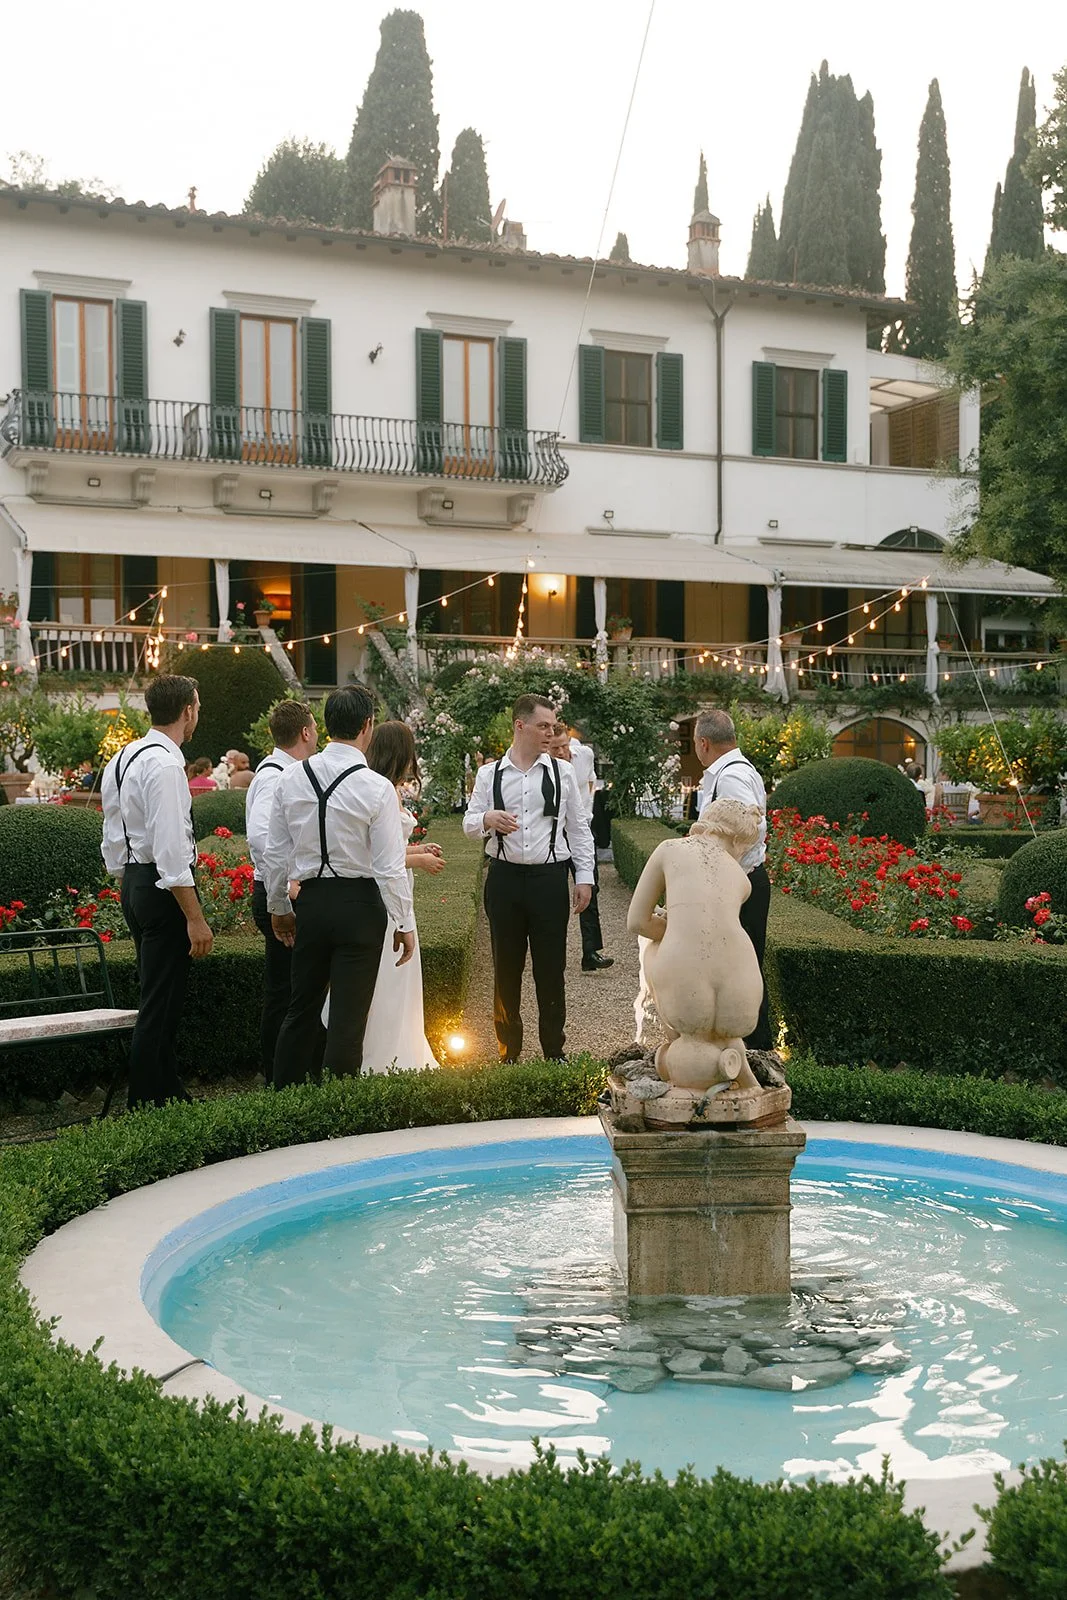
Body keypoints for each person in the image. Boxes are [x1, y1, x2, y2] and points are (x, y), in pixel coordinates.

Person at [263, 685, 415, 1089]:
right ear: (368, 725)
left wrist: (279, 906)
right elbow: (388, 866)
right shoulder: (376, 787)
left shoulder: (291, 778)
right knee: (348, 1020)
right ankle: (337, 1117)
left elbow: (274, 853)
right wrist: (404, 920)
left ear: (326, 725)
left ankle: (283, 1103)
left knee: (301, 1009)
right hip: (360, 905)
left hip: (311, 902)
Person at [100, 673, 213, 1108]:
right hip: (158, 886)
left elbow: (112, 831)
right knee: (159, 1004)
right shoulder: (166, 765)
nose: (197, 714)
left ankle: (168, 1093)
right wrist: (195, 916)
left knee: (159, 995)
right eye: (197, 707)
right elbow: (170, 850)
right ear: (187, 711)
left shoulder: (124, 757)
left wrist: (126, 880)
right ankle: (145, 1104)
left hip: (134, 881)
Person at [464, 694, 595, 1062]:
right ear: (520, 726)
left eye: (553, 726)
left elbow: (579, 829)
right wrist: (487, 819)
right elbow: (468, 823)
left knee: (551, 970)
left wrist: (584, 877)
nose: (551, 733)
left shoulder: (563, 772)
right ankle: (509, 1051)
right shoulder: (489, 774)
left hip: (549, 880)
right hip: (504, 880)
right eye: (543, 726)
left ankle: (554, 1051)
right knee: (506, 969)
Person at [339, 720, 445, 1072]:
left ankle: (395, 1049)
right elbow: (376, 860)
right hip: (387, 896)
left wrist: (416, 849)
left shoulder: (381, 787)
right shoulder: (384, 790)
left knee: (397, 980)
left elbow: (389, 849)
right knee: (389, 976)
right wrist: (420, 859)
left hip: (395, 888)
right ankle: (383, 1058)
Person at [245, 700, 321, 1079]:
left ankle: (285, 1069)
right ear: (305, 732)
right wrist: (289, 885)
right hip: (278, 892)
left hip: (277, 888)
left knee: (288, 988)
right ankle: (279, 1070)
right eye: (315, 728)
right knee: (286, 991)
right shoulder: (277, 776)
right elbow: (262, 837)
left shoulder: (283, 772)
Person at [693, 707, 774, 1055]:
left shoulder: (729, 777)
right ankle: (746, 1045)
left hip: (740, 886)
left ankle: (755, 1048)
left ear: (704, 743)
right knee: (739, 967)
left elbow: (749, 829)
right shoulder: (732, 771)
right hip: (741, 883)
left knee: (740, 970)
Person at [550, 724, 613, 972]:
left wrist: (584, 811)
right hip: (554, 834)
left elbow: (590, 782)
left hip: (582, 829)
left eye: (564, 746)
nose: (561, 751)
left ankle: (591, 952)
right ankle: (553, 952)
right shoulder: (544, 764)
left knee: (590, 888)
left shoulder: (584, 754)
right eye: (555, 748)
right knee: (554, 894)